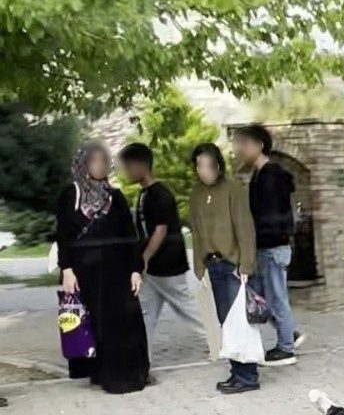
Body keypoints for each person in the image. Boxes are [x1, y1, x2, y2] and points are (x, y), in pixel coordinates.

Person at [56, 142, 149, 394]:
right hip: (85, 273)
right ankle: (98, 372)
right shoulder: (71, 195)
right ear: (83, 164)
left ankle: (125, 377)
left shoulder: (114, 196)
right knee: (93, 323)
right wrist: (67, 269)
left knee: (121, 323)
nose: (99, 166)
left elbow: (129, 236)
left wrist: (135, 269)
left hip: (116, 272)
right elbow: (63, 236)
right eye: (93, 161)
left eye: (103, 161)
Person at [118, 143, 205, 360]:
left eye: (128, 166)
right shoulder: (144, 194)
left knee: (189, 311)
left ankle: (224, 345)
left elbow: (160, 231)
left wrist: (144, 258)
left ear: (141, 165)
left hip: (168, 266)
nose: (126, 172)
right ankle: (141, 360)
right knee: (143, 314)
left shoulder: (160, 194)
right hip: (151, 270)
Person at [188, 143, 259, 394]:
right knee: (225, 322)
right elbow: (196, 232)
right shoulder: (196, 194)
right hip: (212, 264)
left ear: (218, 165)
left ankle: (248, 375)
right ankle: (236, 371)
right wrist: (199, 267)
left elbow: (245, 229)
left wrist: (245, 264)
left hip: (232, 265)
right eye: (199, 165)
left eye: (209, 165)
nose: (204, 170)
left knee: (239, 321)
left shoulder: (233, 189)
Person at [231, 124, 304, 366]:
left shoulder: (271, 176)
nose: (240, 149)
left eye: (244, 144)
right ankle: (289, 333)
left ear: (259, 145)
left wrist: (256, 245)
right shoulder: (260, 175)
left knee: (275, 298)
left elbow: (271, 219)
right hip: (265, 248)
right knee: (257, 297)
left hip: (273, 248)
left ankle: (286, 348)